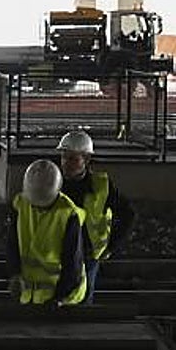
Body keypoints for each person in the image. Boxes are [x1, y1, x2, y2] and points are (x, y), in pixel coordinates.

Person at [57, 130, 135, 303]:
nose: (66, 164)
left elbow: (128, 215)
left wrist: (111, 246)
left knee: (83, 301)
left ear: (86, 160)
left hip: (88, 255)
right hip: (57, 254)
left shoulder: (101, 186)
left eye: (72, 159)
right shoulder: (54, 184)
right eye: (64, 157)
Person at [7, 159, 86, 307]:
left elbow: (72, 264)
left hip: (62, 298)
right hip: (30, 296)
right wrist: (14, 274)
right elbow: (12, 244)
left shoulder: (68, 214)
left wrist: (59, 298)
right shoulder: (20, 204)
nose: (38, 208)